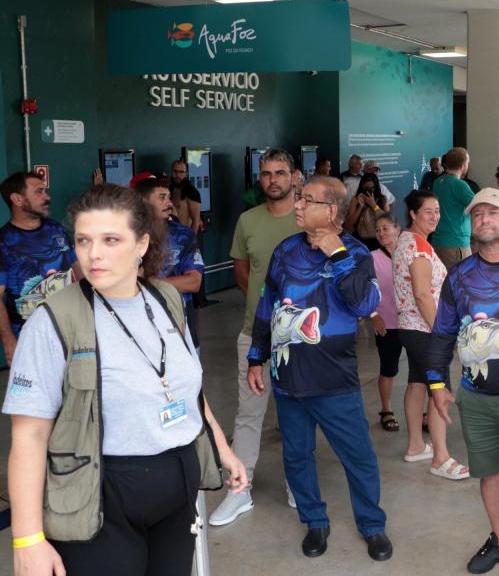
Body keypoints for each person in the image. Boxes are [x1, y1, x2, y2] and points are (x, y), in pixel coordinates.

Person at [3, 183, 246, 576]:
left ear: (141, 244)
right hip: (100, 494)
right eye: (83, 240)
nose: (93, 254)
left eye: (111, 240)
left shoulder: (166, 300)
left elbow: (188, 391)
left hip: (177, 487)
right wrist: (27, 539)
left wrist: (222, 449)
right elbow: (29, 435)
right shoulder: (53, 321)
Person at [247, 176, 392, 562]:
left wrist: (337, 254)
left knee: (358, 456)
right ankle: (314, 520)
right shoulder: (285, 250)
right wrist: (256, 357)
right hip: (288, 378)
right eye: (298, 198)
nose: (296, 205)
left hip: (334, 381)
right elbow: (267, 304)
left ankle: (372, 525)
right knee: (297, 455)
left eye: (305, 199)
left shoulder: (356, 253)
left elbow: (363, 305)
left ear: (331, 211)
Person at [426, 188, 499, 576]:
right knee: (490, 473)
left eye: (492, 212)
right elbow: (443, 332)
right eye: (477, 214)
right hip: (476, 397)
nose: (483, 219)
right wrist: (436, 384)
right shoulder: (460, 275)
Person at [210, 149, 301, 526]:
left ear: (294, 176)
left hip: (300, 338)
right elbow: (244, 272)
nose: (273, 180)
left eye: (280, 172)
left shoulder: (306, 217)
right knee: (249, 413)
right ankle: (240, 489)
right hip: (255, 335)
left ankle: (300, 483)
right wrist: (264, 312)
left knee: (298, 413)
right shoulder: (248, 220)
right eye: (266, 174)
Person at [392, 190, 468, 481]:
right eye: (428, 211)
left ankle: (416, 445)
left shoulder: (407, 241)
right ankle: (441, 458)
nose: (435, 216)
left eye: (437, 211)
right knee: (440, 389)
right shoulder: (418, 247)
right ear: (413, 214)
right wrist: (442, 332)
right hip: (426, 330)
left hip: (411, 328)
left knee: (416, 383)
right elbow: (423, 294)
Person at [0, 171, 78, 365]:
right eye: (39, 192)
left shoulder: (55, 229)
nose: (47, 197)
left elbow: (76, 266)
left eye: (45, 191)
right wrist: (9, 341)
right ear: (18, 199)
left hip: (70, 330)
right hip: (29, 339)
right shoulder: (4, 242)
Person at [133, 174, 205, 349]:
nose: (169, 203)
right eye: (162, 197)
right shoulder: (127, 235)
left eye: (169, 197)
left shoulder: (183, 235)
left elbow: (194, 282)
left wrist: (146, 283)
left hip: (181, 324)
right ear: (143, 201)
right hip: (140, 327)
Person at [369, 213, 403, 433]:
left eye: (385, 228)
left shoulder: (409, 253)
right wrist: (373, 315)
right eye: (378, 230)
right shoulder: (371, 257)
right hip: (386, 323)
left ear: (397, 229)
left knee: (419, 371)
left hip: (411, 322)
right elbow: (363, 290)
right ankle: (386, 409)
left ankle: (423, 412)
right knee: (388, 369)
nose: (381, 233)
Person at [433, 147, 476, 270]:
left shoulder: (437, 182)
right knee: (462, 280)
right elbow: (477, 207)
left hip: (437, 241)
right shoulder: (460, 185)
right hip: (456, 245)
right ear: (463, 166)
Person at [344, 172, 390, 250]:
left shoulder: (382, 199)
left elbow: (388, 221)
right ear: (361, 187)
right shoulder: (355, 200)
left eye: (372, 188)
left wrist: (374, 205)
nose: (369, 191)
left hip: (378, 239)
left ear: (376, 187)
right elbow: (349, 224)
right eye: (366, 188)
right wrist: (360, 207)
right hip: (360, 240)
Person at [169, 159, 202, 232]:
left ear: (186, 174)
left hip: (184, 235)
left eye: (181, 172)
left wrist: (191, 238)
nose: (178, 175)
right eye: (175, 171)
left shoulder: (191, 192)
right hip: (169, 235)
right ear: (171, 172)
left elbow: (196, 221)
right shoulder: (168, 190)